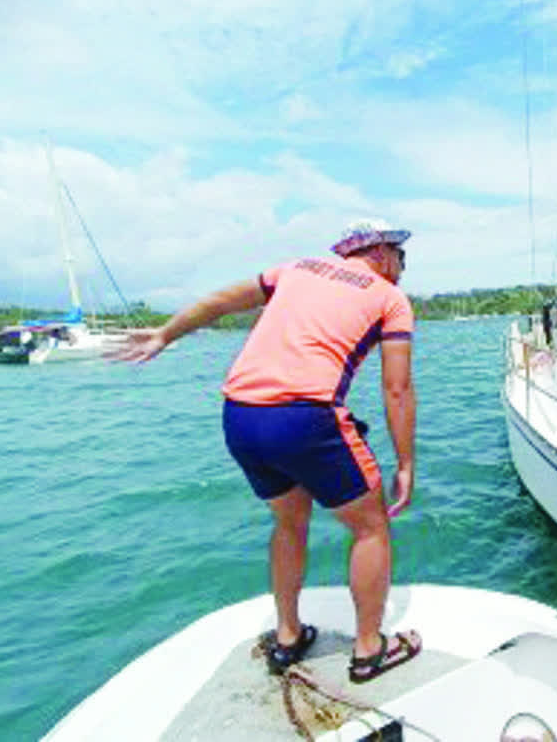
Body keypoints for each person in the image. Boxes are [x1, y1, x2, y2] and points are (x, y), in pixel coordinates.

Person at [109, 218, 421, 681]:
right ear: (379, 253)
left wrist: (163, 336)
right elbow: (396, 389)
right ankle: (370, 650)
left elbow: (218, 303)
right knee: (371, 526)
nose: (403, 267)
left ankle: (289, 637)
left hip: (240, 415)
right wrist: (406, 463)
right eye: (401, 256)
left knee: (289, 523)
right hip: (304, 417)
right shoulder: (390, 297)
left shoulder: (296, 269)